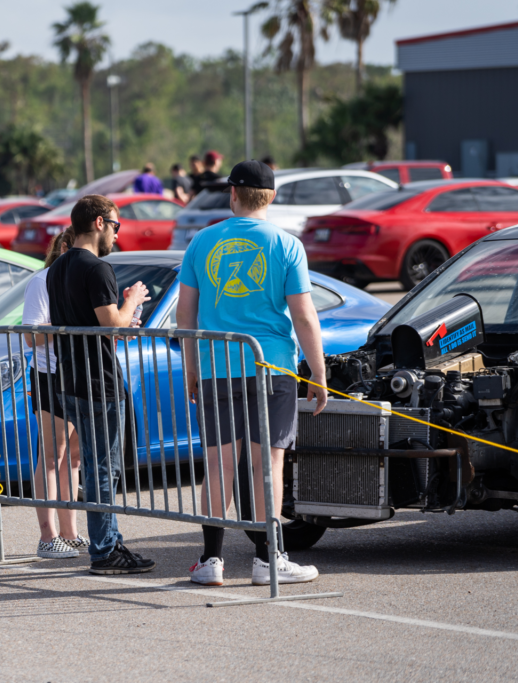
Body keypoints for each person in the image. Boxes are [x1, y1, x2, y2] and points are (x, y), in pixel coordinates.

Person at [177, 160, 327, 587]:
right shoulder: (286, 244)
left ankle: (210, 560)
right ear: (272, 197)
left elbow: (185, 313)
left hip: (216, 364)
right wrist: (318, 372)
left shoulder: (202, 241)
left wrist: (192, 367)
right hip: (270, 364)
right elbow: (303, 314)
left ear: (233, 194)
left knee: (220, 465)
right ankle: (268, 558)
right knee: (269, 463)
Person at [46, 194, 155, 575]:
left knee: (95, 467)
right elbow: (111, 323)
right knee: (103, 469)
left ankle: (110, 542)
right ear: (98, 223)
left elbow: (97, 324)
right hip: (97, 383)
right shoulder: (97, 268)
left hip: (70, 379)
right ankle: (105, 550)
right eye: (116, 226)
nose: (117, 235)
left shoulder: (57, 268)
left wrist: (121, 317)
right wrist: (134, 299)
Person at [23, 229, 89, 559]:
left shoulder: (87, 276)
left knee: (73, 457)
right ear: (65, 247)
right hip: (51, 374)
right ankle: (47, 536)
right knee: (51, 456)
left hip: (81, 374)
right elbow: (31, 335)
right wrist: (72, 329)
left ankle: (70, 532)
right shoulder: (43, 280)